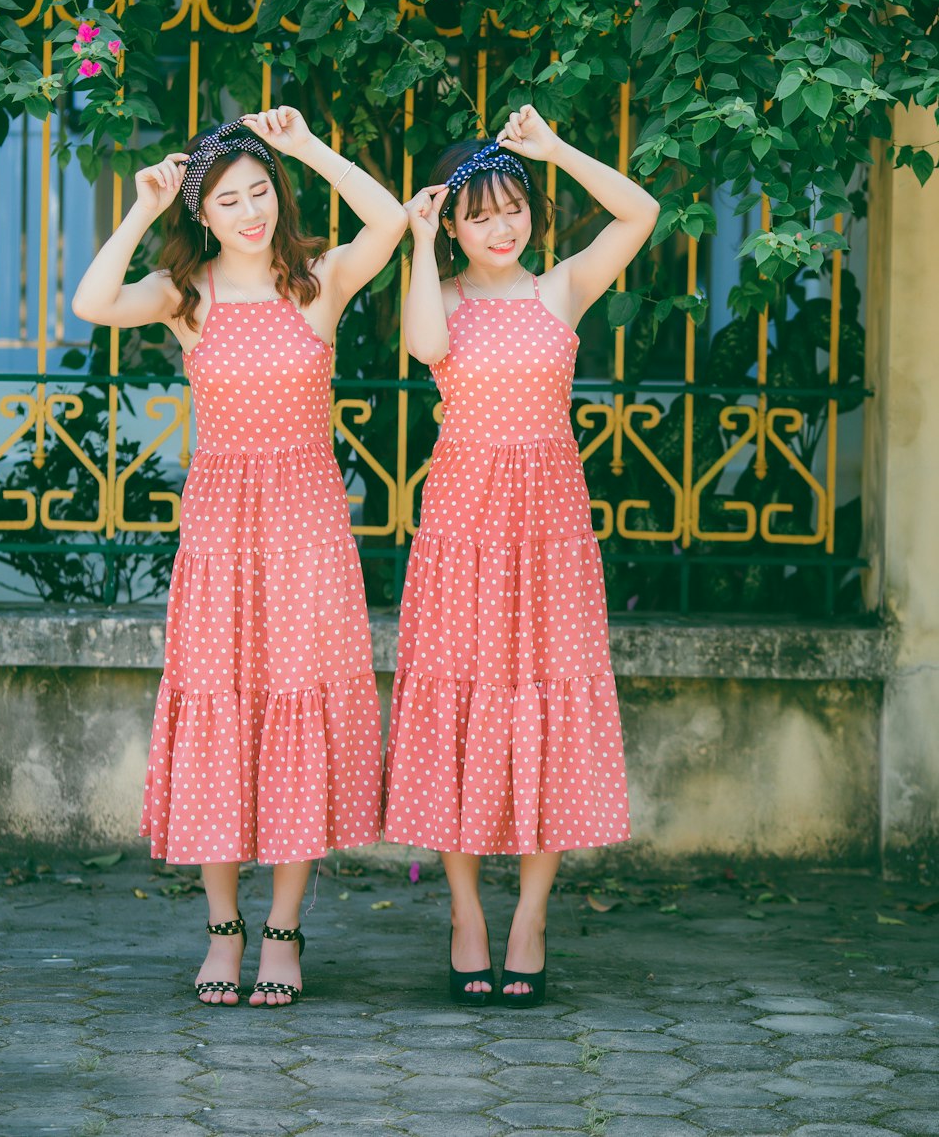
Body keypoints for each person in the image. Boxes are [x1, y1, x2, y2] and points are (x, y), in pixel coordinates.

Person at [72, 105, 407, 1008]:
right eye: (229, 199)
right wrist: (142, 209)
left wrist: (306, 146)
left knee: (295, 711)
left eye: (262, 192)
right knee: (221, 712)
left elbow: (392, 220)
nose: (251, 211)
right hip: (221, 535)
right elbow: (92, 302)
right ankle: (223, 933)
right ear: (204, 214)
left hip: (305, 531)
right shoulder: (190, 296)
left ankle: (285, 935)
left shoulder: (319, 282)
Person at [383, 102, 659, 1006]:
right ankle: (466, 912)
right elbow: (424, 345)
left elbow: (640, 214)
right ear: (455, 225)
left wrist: (555, 149)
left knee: (547, 705)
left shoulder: (560, 290)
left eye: (514, 208)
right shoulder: (446, 294)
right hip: (462, 527)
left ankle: (531, 915)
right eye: (480, 215)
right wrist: (420, 243)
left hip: (549, 533)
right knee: (458, 706)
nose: (502, 228)